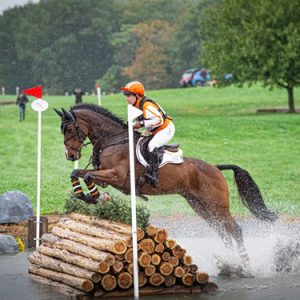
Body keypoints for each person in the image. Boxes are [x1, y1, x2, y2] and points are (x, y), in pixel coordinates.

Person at [121, 81, 175, 187]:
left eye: (128, 95)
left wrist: (140, 123)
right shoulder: (137, 105)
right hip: (154, 130)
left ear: (137, 95)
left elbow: (159, 120)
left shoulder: (146, 105)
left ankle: (153, 175)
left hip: (166, 129)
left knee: (151, 145)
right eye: (126, 96)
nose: (126, 98)